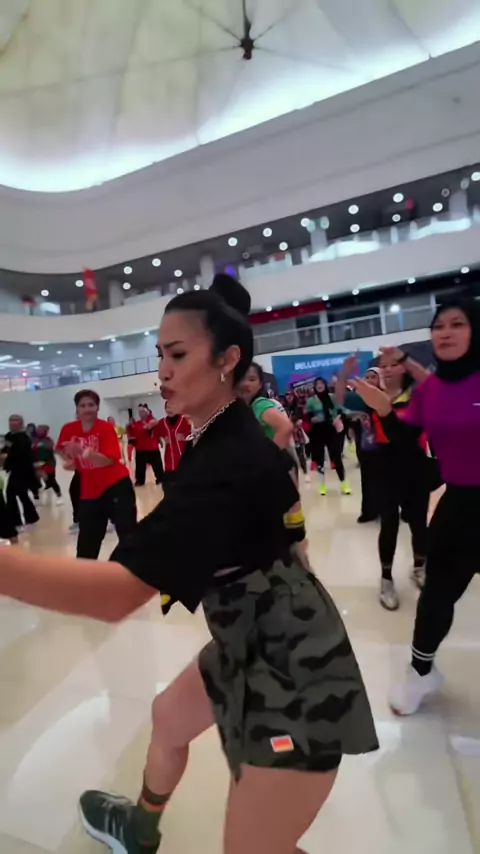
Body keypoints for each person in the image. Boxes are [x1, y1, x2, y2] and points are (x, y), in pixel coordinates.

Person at [0, 274, 378, 854]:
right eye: (160, 355)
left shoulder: (231, 454)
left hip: (294, 669)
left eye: (177, 355)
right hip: (246, 638)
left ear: (228, 359)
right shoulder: (217, 436)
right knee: (169, 717)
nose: (163, 371)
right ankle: (140, 826)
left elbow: (117, 594)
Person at [352, 299, 480, 714]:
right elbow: (405, 438)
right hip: (459, 504)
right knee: (436, 595)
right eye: (438, 325)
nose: (445, 332)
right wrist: (383, 408)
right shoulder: (431, 391)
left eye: (457, 324)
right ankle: (421, 672)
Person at [337, 350, 430, 610]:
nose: (387, 369)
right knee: (389, 523)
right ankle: (386, 579)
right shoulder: (371, 396)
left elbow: (435, 387)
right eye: (383, 365)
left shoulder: (418, 396)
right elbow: (341, 399)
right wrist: (344, 373)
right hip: (385, 466)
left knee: (418, 522)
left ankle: (420, 566)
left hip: (415, 464)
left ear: (403, 368)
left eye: (393, 365)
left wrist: (409, 361)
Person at [57, 390, 137, 559]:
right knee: (87, 541)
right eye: (82, 405)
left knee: (128, 534)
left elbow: (108, 461)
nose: (87, 409)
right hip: (89, 490)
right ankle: (86, 573)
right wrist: (70, 461)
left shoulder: (105, 428)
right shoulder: (69, 429)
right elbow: (61, 450)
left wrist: (84, 452)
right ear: (77, 409)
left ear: (98, 407)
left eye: (91, 405)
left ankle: (134, 570)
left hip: (116, 485)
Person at [306, 378, 351, 496]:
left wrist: (338, 418)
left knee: (336, 456)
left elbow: (341, 410)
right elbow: (308, 417)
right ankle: (322, 485)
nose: (319, 386)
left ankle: (344, 483)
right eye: (317, 384)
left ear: (325, 385)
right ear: (314, 387)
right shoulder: (311, 401)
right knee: (320, 459)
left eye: (321, 383)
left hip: (331, 430)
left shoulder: (332, 397)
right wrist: (314, 419)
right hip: (317, 431)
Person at [239, 362, 294, 449]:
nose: (246, 384)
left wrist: (272, 453)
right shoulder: (245, 407)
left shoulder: (260, 404)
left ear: (260, 384)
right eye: (241, 379)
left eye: (252, 379)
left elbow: (285, 427)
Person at [1, 414, 40, 530]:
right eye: (11, 420)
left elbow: (22, 454)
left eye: (16, 420)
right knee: (21, 494)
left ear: (21, 423)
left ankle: (17, 522)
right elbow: (6, 449)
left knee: (11, 494)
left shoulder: (23, 438)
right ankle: (31, 518)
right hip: (14, 469)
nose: (13, 422)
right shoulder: (9, 436)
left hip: (23, 470)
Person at [152, 403, 190, 496]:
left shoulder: (184, 420)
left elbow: (194, 433)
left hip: (184, 460)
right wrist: (161, 440)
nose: (170, 410)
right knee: (169, 489)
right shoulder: (163, 423)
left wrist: (185, 437)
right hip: (169, 462)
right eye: (167, 408)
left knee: (186, 488)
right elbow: (154, 433)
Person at [131, 404, 164, 486]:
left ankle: (160, 479)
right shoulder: (136, 424)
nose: (141, 413)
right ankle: (140, 481)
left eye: (142, 411)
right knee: (140, 467)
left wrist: (160, 441)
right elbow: (133, 436)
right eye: (139, 412)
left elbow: (157, 431)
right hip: (140, 449)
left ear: (147, 412)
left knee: (157, 465)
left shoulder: (153, 421)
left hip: (153, 448)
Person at [32, 424, 63, 505]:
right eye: (38, 429)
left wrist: (43, 462)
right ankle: (36, 498)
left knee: (51, 481)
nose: (39, 431)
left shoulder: (48, 441)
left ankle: (59, 496)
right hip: (34, 464)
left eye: (41, 430)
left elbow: (50, 452)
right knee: (33, 482)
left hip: (47, 464)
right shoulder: (32, 440)